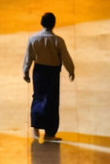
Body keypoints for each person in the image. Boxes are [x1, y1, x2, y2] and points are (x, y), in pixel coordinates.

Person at [23, 12, 75, 141]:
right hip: (53, 73)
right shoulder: (58, 41)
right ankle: (49, 133)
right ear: (54, 24)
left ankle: (35, 127)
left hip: (39, 71)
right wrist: (71, 70)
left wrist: (26, 71)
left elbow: (28, 57)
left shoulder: (33, 39)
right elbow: (66, 58)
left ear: (42, 23)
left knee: (38, 97)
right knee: (52, 101)